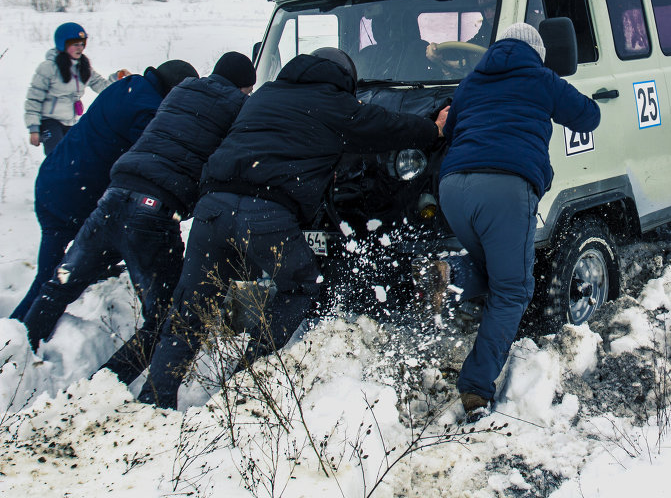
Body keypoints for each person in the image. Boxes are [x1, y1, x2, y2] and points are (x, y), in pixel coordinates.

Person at [138, 47, 447, 409]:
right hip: (265, 213)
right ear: (344, 79)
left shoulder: (265, 94)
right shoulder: (334, 104)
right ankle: (246, 376)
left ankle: (154, 399)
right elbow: (386, 127)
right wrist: (433, 128)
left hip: (212, 208)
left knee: (192, 305)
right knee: (303, 285)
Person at [20, 53, 257, 384]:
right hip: (153, 214)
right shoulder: (239, 106)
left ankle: (12, 365)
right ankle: (102, 388)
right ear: (244, 87)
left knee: (58, 286)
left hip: (111, 198)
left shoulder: (179, 92)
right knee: (166, 318)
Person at [437, 23, 600, 421]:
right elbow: (588, 117)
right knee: (513, 289)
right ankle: (476, 388)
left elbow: (451, 130)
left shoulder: (472, 81)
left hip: (453, 188)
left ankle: (451, 274)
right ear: (537, 53)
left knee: (490, 268)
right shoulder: (541, 78)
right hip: (506, 188)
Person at [10, 60, 199, 322]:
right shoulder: (148, 109)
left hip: (52, 178)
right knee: (53, 277)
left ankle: (24, 330)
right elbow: (153, 163)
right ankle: (15, 337)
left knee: (59, 271)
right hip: (74, 195)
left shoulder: (128, 86)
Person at [24, 22, 130, 155]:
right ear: (63, 44)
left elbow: (102, 86)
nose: (80, 48)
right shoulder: (48, 68)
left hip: (71, 121)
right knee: (56, 157)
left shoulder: (83, 67)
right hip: (50, 121)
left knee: (74, 158)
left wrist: (117, 77)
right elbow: (34, 99)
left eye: (82, 44)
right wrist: (33, 129)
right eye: (75, 44)